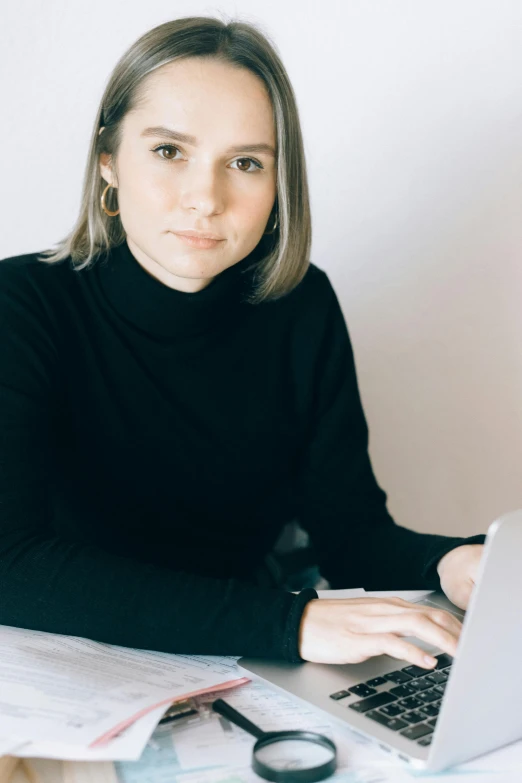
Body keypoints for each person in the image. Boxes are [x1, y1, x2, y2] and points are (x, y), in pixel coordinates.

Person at [0, 15, 486, 669]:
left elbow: (350, 535)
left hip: (238, 663)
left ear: (278, 187)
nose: (206, 197)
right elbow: (11, 565)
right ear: (108, 159)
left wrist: (452, 559)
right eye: (170, 151)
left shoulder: (302, 306)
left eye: (246, 163)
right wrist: (291, 622)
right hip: (65, 663)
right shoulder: (23, 303)